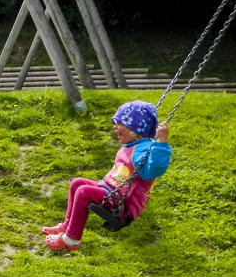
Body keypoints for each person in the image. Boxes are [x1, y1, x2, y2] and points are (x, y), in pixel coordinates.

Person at [43, 100, 172, 251]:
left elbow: (154, 170)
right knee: (77, 183)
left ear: (134, 129)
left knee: (84, 192)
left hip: (124, 204)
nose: (114, 127)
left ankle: (72, 239)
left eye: (119, 123)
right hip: (111, 191)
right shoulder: (131, 146)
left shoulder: (142, 150)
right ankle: (67, 225)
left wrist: (162, 142)